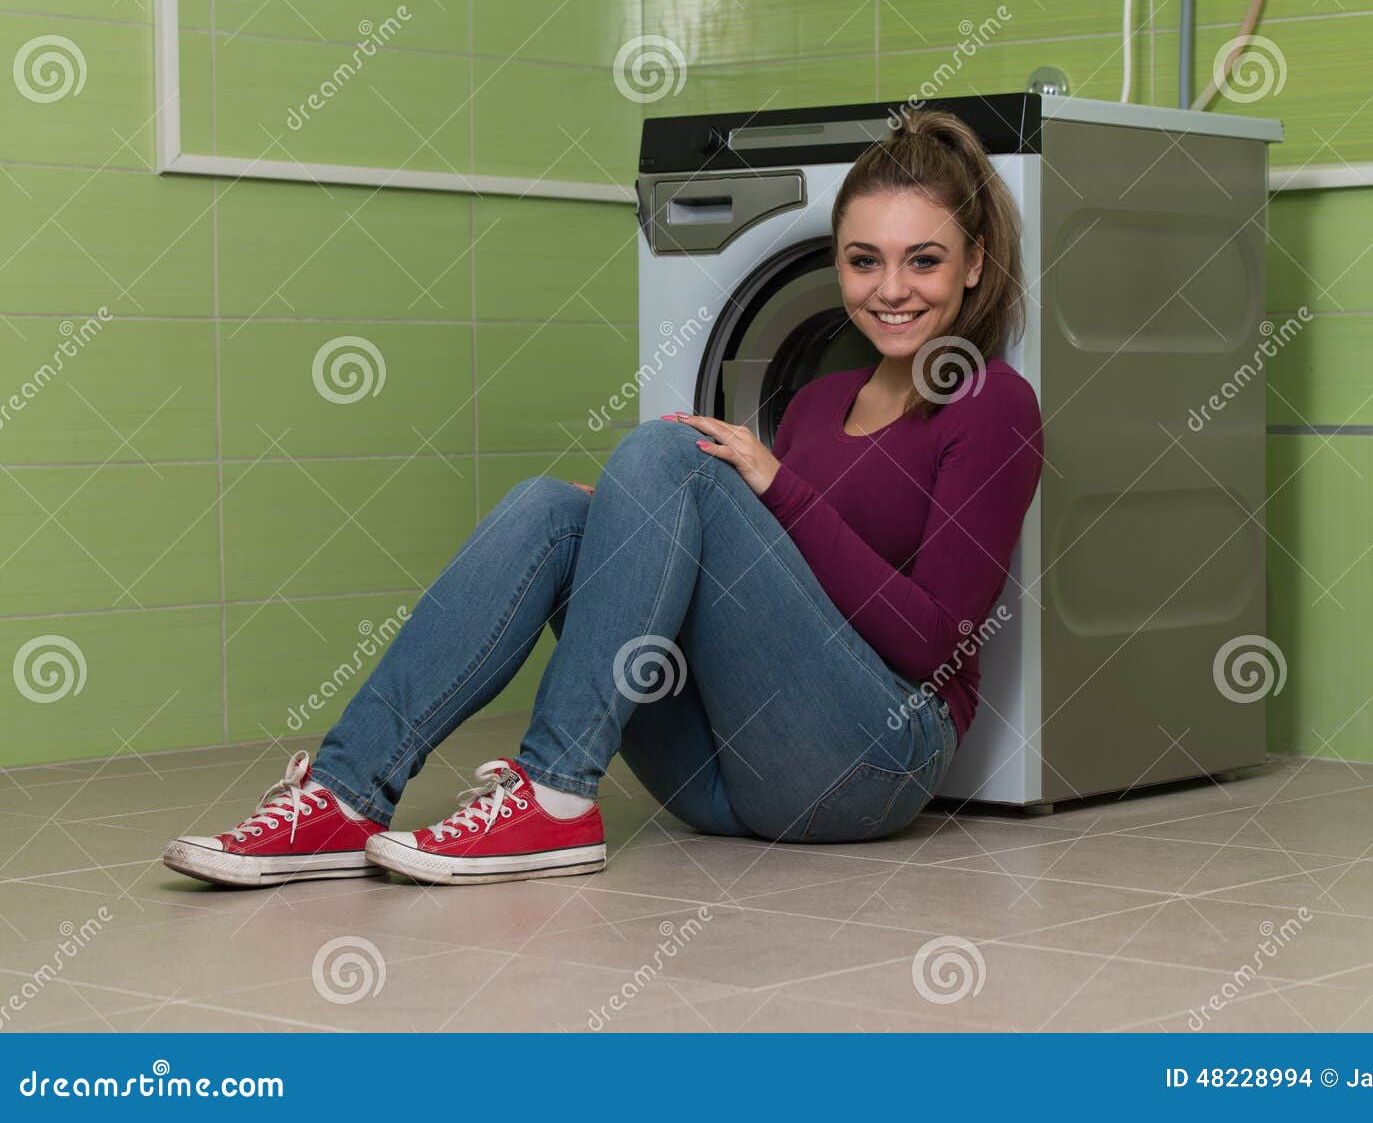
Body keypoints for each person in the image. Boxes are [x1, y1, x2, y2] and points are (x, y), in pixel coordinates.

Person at [162, 108, 1044, 888]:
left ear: (974, 266)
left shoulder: (993, 403)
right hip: (726, 779)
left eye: (923, 260)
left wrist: (777, 489)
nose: (891, 289)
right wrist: (628, 516)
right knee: (556, 510)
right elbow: (768, 595)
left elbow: (934, 640)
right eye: (865, 261)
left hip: (874, 761)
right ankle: (343, 797)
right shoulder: (817, 402)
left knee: (674, 450)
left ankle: (552, 792)